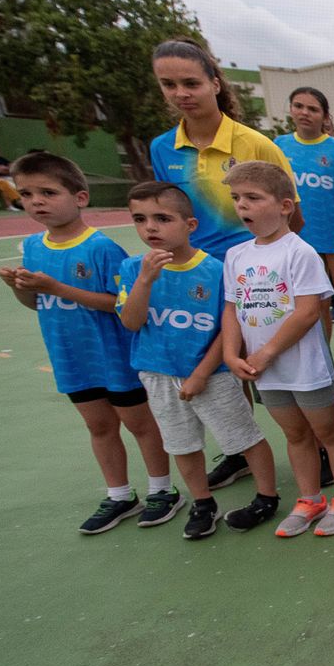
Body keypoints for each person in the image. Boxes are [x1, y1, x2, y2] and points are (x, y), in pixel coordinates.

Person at [0, 152, 177, 533]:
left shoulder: (101, 248)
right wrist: (19, 287)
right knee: (98, 427)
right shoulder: (33, 247)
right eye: (26, 194)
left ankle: (163, 490)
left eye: (48, 192)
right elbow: (37, 303)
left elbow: (120, 304)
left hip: (113, 355)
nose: (36, 202)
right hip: (70, 356)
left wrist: (57, 287)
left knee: (140, 424)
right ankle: (119, 495)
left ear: (80, 197)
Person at [115, 181, 281, 540]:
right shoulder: (133, 269)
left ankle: (267, 497)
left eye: (162, 218)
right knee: (181, 444)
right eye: (140, 219)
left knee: (244, 437)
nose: (150, 228)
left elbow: (228, 327)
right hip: (158, 375)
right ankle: (203, 503)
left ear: (189, 225)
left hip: (212, 375)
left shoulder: (216, 270)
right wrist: (145, 281)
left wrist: (202, 373)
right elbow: (131, 322)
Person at [219, 161, 334, 538]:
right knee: (295, 434)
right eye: (236, 198)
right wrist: (231, 354)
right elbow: (232, 309)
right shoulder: (236, 256)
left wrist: (266, 352)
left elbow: (308, 311)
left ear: (285, 206)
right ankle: (310, 499)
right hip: (265, 371)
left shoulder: (299, 252)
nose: (242, 205)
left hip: (304, 367)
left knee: (328, 432)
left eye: (253, 197)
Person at [150, 40, 300, 265]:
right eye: (169, 84)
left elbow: (294, 219)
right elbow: (168, 216)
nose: (181, 93)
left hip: (253, 272)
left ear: (215, 85)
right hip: (195, 271)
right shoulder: (161, 148)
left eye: (191, 84)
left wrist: (267, 265)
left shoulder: (257, 145)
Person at [274, 87, 334, 391]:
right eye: (298, 106)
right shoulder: (279, 146)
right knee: (316, 306)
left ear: (325, 116)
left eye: (313, 108)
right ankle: (323, 368)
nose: (305, 113)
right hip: (299, 242)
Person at [0, 142, 20, 209]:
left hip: (4, 177)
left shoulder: (0, 158)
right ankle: (16, 201)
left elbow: (11, 166)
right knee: (4, 183)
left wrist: (7, 168)